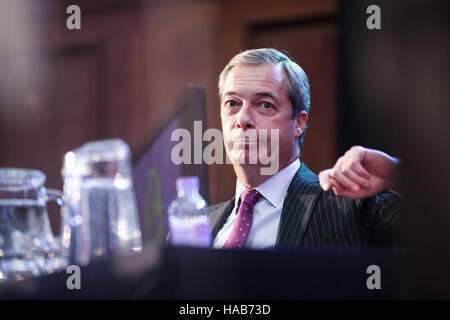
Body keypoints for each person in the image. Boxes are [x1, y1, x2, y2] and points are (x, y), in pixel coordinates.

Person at [209, 48, 401, 250]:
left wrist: (397, 174)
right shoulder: (198, 225)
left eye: (265, 105)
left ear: (299, 123)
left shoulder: (350, 204)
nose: (242, 119)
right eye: (232, 103)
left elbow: (433, 235)